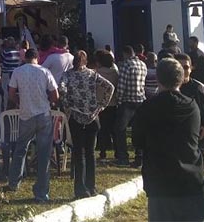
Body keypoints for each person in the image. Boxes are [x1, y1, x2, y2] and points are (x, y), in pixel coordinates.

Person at [132, 58, 204, 222]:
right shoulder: (192, 106)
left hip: (161, 182)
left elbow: (137, 141)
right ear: (181, 79)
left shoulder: (148, 107)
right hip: (190, 180)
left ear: (158, 79)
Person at [7, 48, 59, 202]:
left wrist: (19, 102)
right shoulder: (45, 72)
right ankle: (42, 192)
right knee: (44, 154)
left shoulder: (18, 71)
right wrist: (49, 102)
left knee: (20, 148)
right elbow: (55, 95)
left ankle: (14, 182)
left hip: (26, 114)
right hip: (43, 114)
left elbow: (11, 93)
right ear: (37, 58)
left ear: (26, 58)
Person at [62, 50, 114, 199]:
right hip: (92, 117)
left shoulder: (67, 75)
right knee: (90, 153)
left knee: (79, 154)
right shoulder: (92, 74)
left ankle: (80, 189)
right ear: (85, 61)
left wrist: (67, 106)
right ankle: (91, 186)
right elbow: (109, 87)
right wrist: (101, 106)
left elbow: (62, 89)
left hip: (76, 117)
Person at [176, 53, 204, 151]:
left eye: (186, 67)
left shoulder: (199, 88)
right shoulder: (166, 89)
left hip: (198, 140)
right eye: (179, 67)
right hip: (176, 141)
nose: (183, 70)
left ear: (191, 68)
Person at [113, 46, 147, 166]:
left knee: (120, 129)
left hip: (127, 101)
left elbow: (122, 85)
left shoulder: (125, 65)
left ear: (126, 54)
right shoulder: (143, 65)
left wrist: (119, 99)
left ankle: (123, 157)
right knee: (138, 130)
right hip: (141, 100)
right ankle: (140, 157)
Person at [95, 50, 119, 163]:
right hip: (113, 103)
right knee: (114, 129)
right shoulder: (115, 72)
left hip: (100, 104)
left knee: (102, 129)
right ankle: (118, 151)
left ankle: (103, 152)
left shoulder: (97, 73)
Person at [1, 37, 22, 103]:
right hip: (15, 73)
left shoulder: (5, 52)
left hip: (6, 73)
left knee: (5, 91)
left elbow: (1, 61)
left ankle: (6, 106)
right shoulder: (18, 52)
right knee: (15, 90)